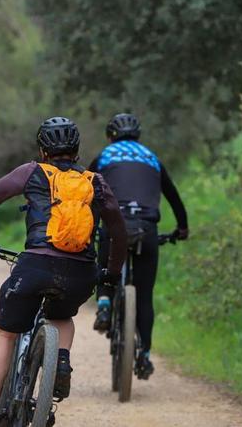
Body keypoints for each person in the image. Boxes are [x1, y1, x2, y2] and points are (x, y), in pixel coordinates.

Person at [0, 117, 127, 427]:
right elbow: (118, 231)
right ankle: (61, 361)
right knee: (62, 317)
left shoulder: (31, 172)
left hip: (36, 266)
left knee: (5, 333)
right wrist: (112, 272)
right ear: (77, 151)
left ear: (42, 150)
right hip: (80, 272)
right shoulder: (95, 182)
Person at [88, 113, 189, 380]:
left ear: (110, 136)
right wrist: (182, 228)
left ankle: (105, 301)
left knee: (104, 257)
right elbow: (173, 195)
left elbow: (86, 193)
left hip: (115, 225)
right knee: (144, 296)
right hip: (147, 229)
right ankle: (143, 354)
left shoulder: (104, 156)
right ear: (138, 136)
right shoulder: (151, 157)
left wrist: (88, 229)